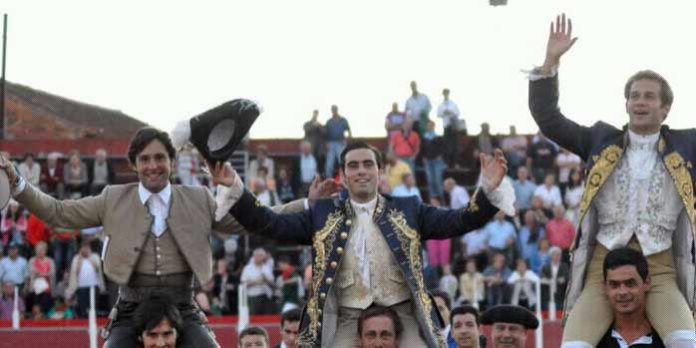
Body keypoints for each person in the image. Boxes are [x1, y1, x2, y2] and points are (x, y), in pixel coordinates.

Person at [0, 127, 312, 347]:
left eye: (160, 158)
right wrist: (18, 184)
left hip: (183, 304)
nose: (153, 166)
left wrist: (309, 204)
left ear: (172, 162)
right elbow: (59, 213)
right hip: (131, 306)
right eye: (145, 159)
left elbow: (251, 221)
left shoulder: (198, 198)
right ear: (134, 164)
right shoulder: (112, 198)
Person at [216, 141, 511, 347]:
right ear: (343, 176)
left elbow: (459, 221)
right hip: (346, 314)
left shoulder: (410, 209)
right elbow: (269, 223)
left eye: (368, 164)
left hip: (402, 312)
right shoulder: (321, 213)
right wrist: (235, 188)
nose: (361, 171)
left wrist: (486, 190)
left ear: (379, 172)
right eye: (353, 166)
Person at [529, 14, 696, 347]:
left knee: (685, 342)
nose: (640, 102)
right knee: (574, 346)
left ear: (665, 109)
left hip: (660, 268)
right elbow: (549, 119)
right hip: (602, 267)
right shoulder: (600, 139)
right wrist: (550, 63)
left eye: (649, 96)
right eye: (634, 96)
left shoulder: (688, 144)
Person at [598, 248, 665, 347]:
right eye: (614, 285)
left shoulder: (666, 340)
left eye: (630, 283)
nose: (622, 292)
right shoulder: (595, 340)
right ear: (605, 287)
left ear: (646, 283)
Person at [65, 239, 106, 318]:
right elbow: (75, 271)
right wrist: (81, 258)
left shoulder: (95, 256)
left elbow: (97, 268)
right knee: (83, 308)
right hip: (81, 286)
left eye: (87, 247)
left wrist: (89, 256)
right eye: (83, 247)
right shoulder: (76, 258)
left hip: (94, 286)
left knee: (93, 308)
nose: (85, 249)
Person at [324, 105, 352, 179]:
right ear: (331, 111)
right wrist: (326, 143)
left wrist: (347, 140)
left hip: (340, 143)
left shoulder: (343, 120)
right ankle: (328, 179)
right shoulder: (329, 121)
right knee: (329, 164)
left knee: (342, 161)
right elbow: (325, 134)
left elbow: (349, 130)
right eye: (332, 109)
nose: (334, 111)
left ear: (337, 110)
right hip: (331, 144)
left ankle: (345, 178)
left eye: (335, 109)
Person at [437, 88, 462, 168]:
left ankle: (456, 163)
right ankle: (448, 163)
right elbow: (438, 114)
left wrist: (451, 112)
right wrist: (444, 113)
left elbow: (458, 113)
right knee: (447, 145)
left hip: (453, 126)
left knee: (454, 145)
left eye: (447, 93)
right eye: (444, 93)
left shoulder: (453, 104)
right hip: (446, 126)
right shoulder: (441, 105)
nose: (446, 94)